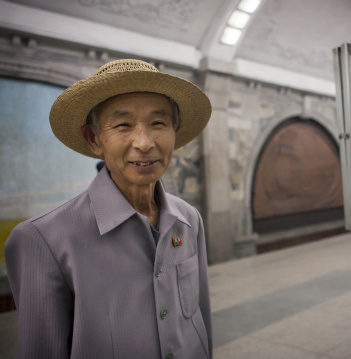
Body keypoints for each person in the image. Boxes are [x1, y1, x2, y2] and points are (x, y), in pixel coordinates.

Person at [4, 59, 213, 359]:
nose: (144, 143)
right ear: (94, 139)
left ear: (175, 130)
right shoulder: (44, 240)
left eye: (158, 123)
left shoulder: (188, 219)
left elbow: (200, 323)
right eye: (123, 125)